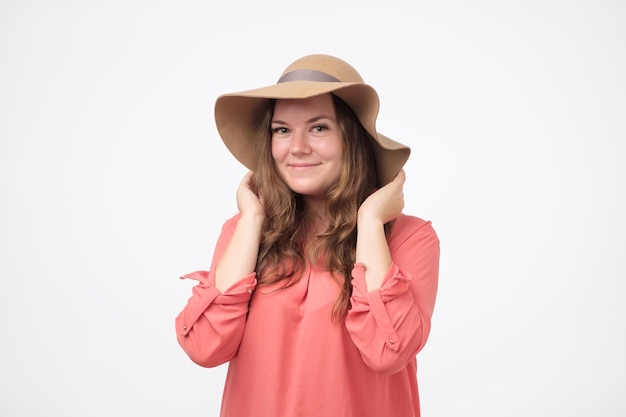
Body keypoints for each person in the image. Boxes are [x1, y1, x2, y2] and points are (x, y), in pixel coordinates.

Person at [175, 54, 440, 417]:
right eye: (282, 130)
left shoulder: (410, 238)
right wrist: (252, 217)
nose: (297, 147)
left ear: (352, 138)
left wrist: (370, 220)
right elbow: (205, 347)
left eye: (318, 128)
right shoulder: (242, 233)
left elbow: (388, 350)